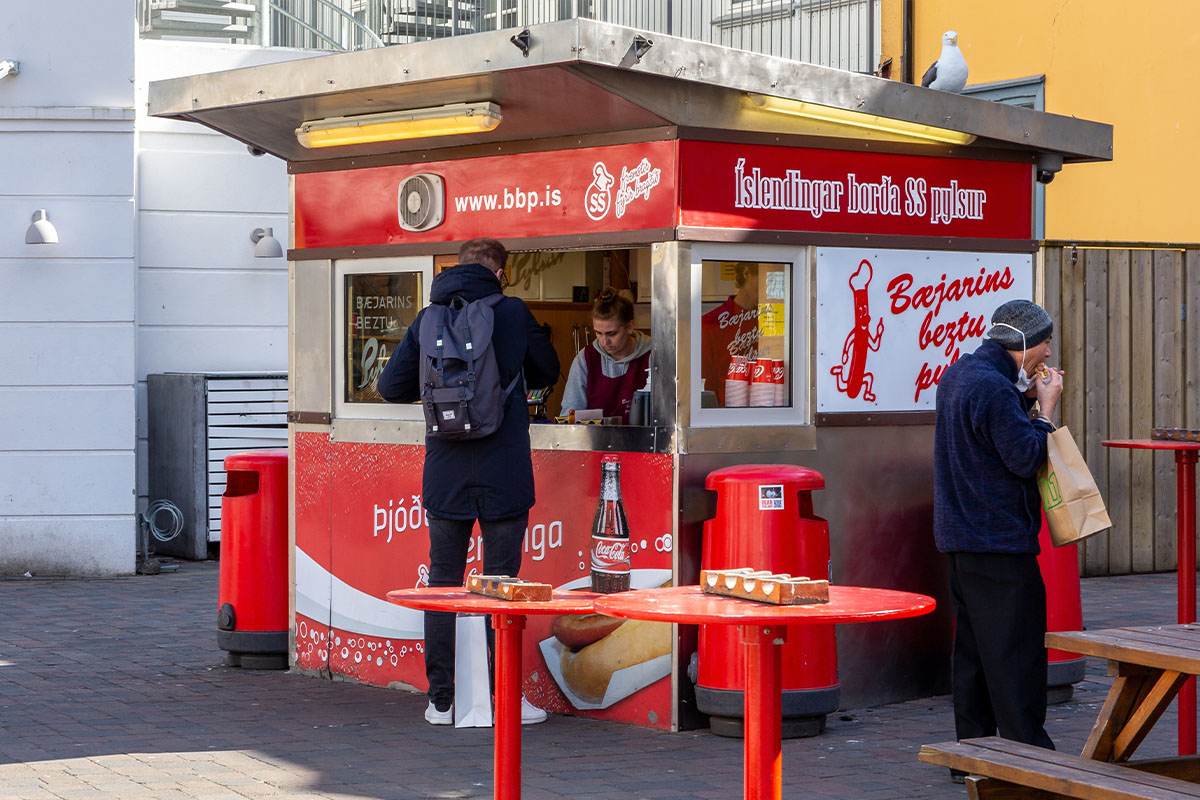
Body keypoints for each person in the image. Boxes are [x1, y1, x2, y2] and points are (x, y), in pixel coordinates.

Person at [377, 237, 560, 726]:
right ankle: (503, 699)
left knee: (443, 583)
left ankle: (442, 701)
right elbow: (548, 371)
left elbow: (389, 387)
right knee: (503, 586)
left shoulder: (426, 318)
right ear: (500, 274)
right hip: (503, 466)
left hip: (446, 470)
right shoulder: (513, 311)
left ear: (454, 269)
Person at [933, 298, 1063, 773]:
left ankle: (973, 756)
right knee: (1015, 656)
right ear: (1024, 342)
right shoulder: (993, 389)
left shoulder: (961, 375)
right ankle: (1029, 758)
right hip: (999, 542)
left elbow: (987, 437)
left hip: (961, 540)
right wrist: (1045, 409)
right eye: (1045, 341)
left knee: (973, 654)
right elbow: (1025, 457)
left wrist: (1025, 398)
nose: (1048, 352)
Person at [561, 288, 651, 424]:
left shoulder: (653, 356)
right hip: (594, 443)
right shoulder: (585, 359)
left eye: (612, 333)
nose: (604, 341)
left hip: (644, 443)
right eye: (598, 333)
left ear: (630, 327)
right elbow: (571, 414)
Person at [700, 263, 759, 406]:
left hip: (772, 408)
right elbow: (706, 380)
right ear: (747, 272)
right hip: (726, 412)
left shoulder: (776, 318)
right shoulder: (712, 323)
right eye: (768, 276)